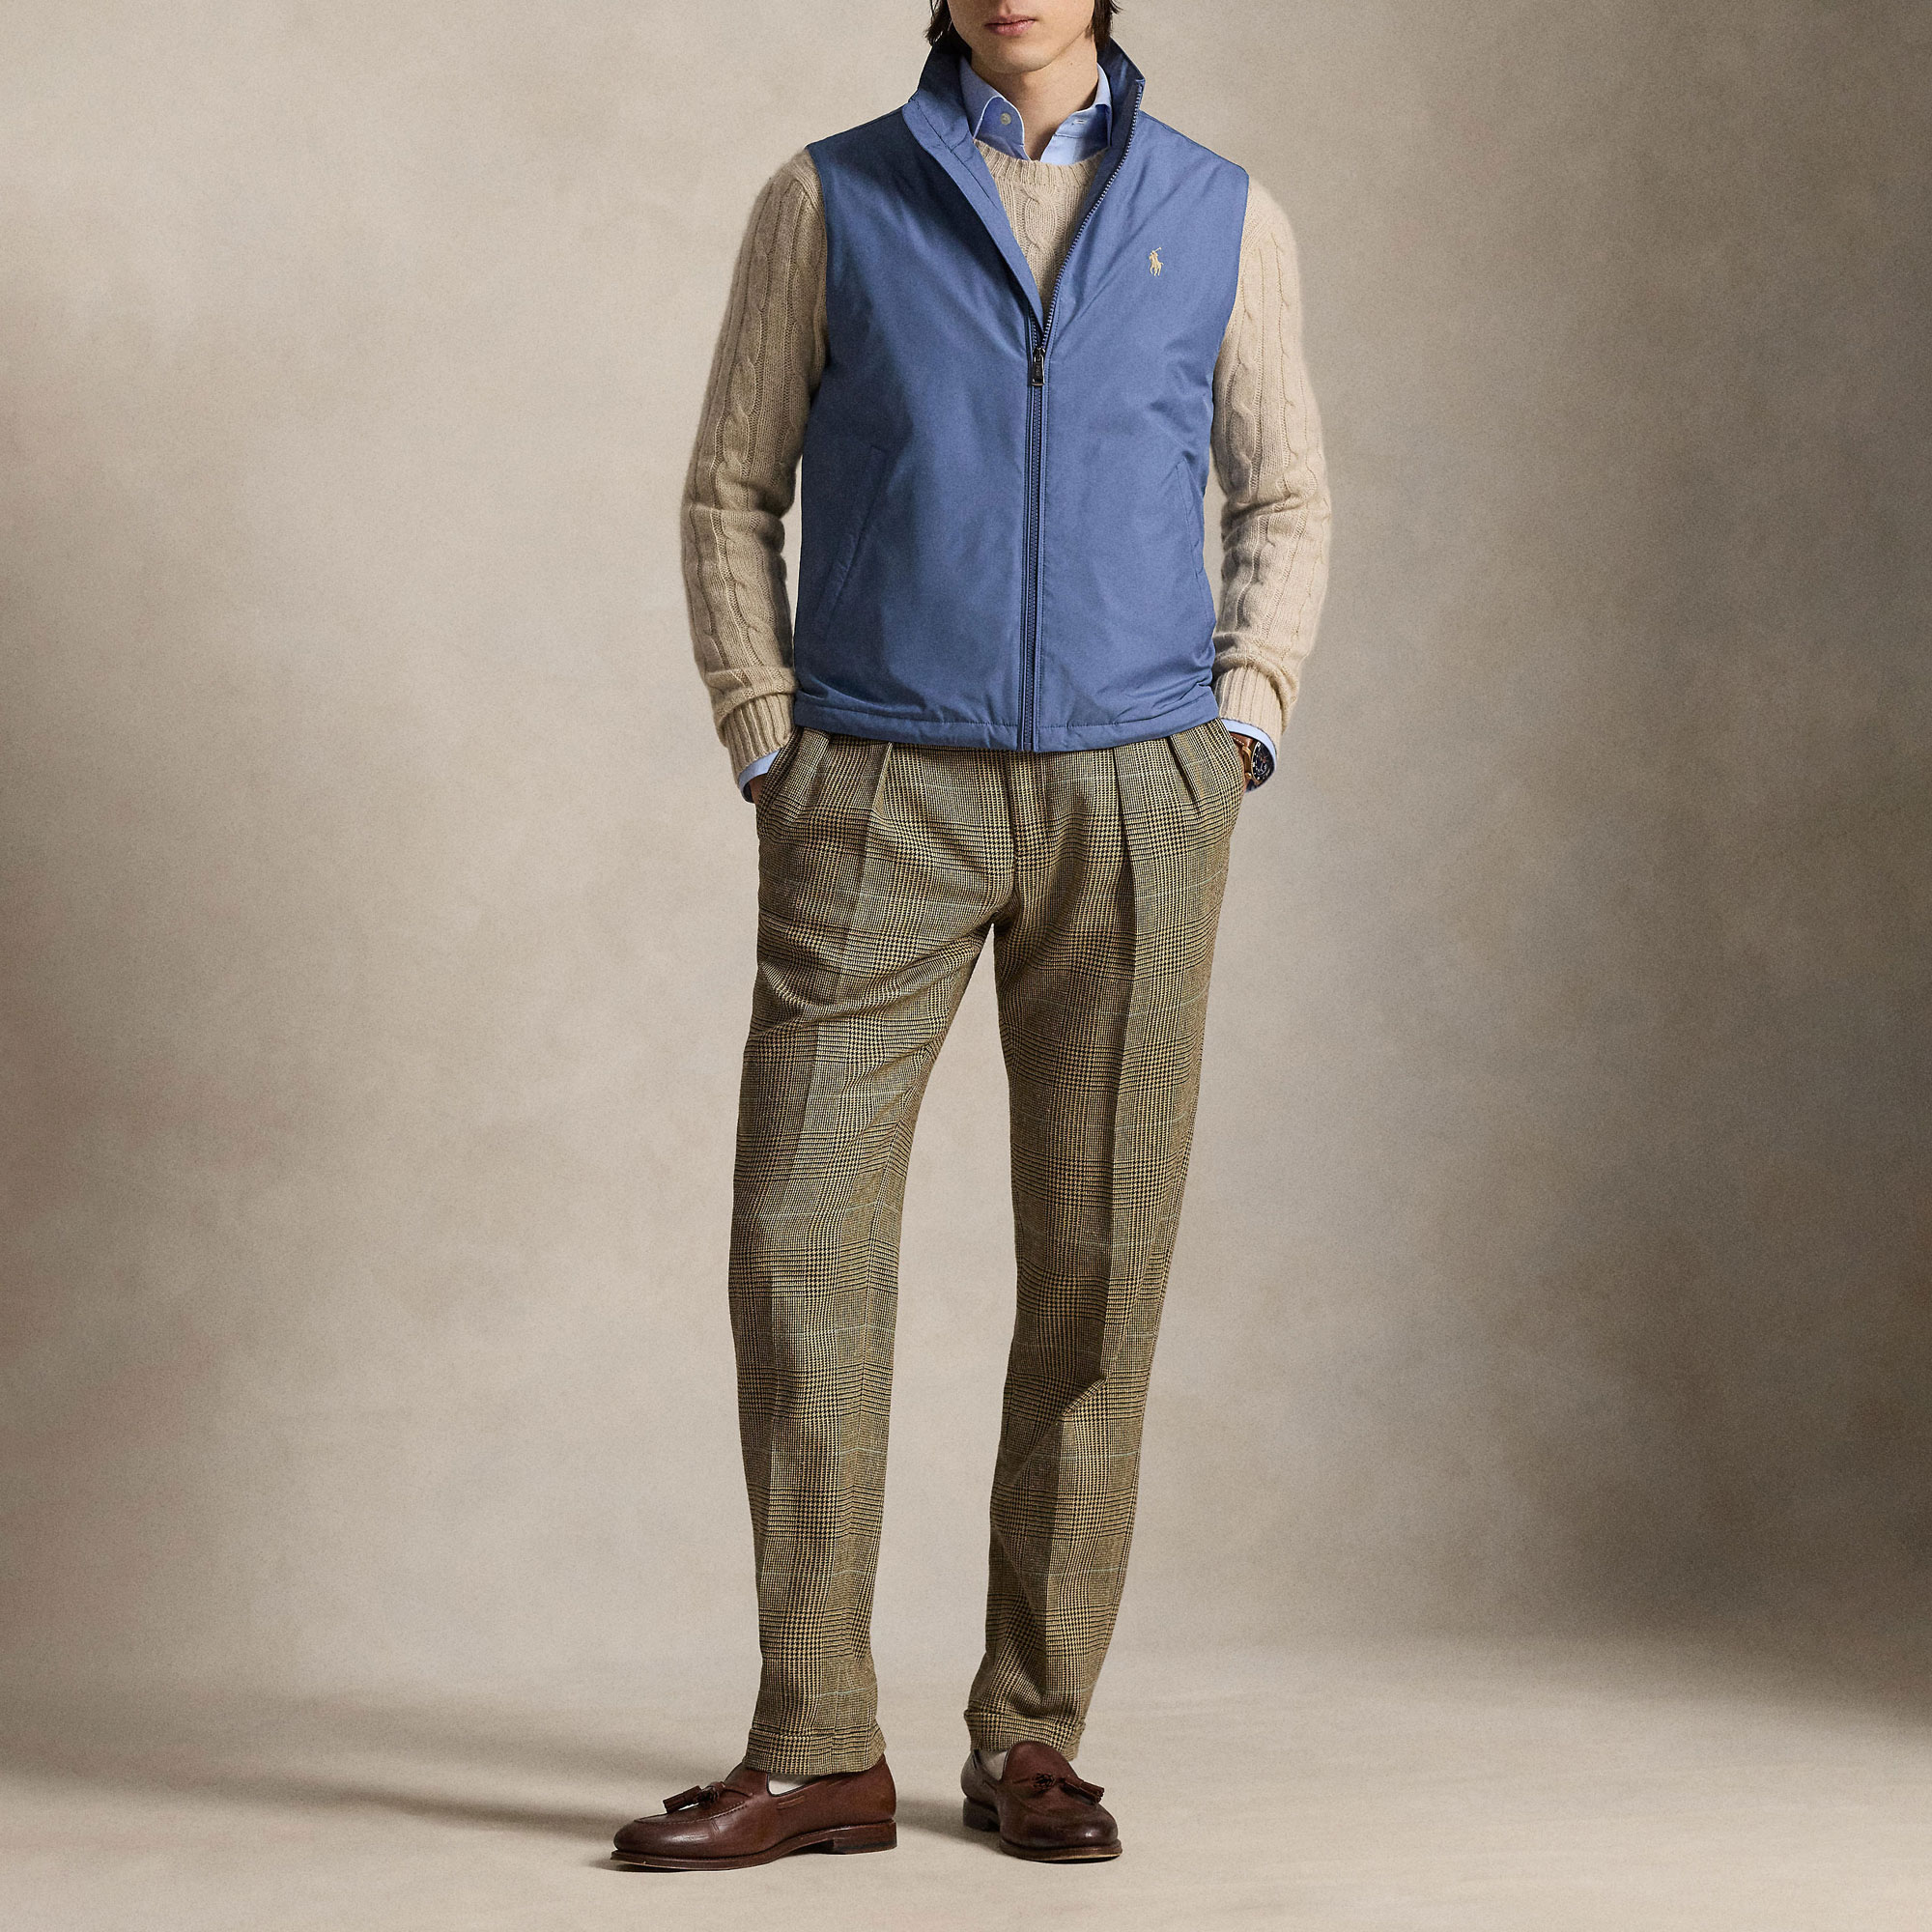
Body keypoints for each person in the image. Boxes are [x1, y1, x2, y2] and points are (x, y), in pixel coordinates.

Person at [614, 0, 1330, 1871]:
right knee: (799, 1242)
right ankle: (814, 1743)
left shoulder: (1221, 215)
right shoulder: (826, 201)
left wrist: (1238, 724)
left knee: (1098, 1269)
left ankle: (1032, 1731)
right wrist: (769, 733)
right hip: (876, 788)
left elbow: (1282, 491)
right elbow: (728, 487)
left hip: (1136, 798)